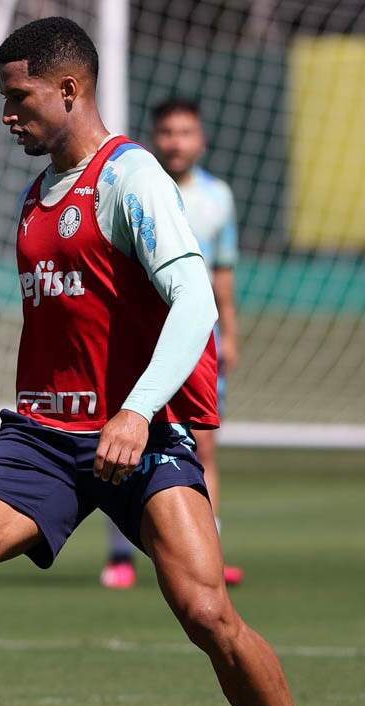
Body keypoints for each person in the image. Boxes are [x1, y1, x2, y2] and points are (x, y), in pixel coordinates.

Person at [0, 17, 341, 706]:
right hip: (44, 436)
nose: (7, 115)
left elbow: (195, 305)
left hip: (140, 436)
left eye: (19, 99)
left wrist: (137, 410)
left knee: (207, 614)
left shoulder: (131, 177)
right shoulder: (33, 193)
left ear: (69, 90)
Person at [102, 97, 243, 589]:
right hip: (140, 342)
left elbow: (219, 275)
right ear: (155, 136)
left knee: (203, 449)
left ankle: (211, 550)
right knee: (118, 444)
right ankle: (120, 555)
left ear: (200, 139)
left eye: (185, 132)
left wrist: (228, 333)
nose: (175, 142)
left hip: (196, 345)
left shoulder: (217, 198)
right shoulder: (133, 188)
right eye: (167, 132)